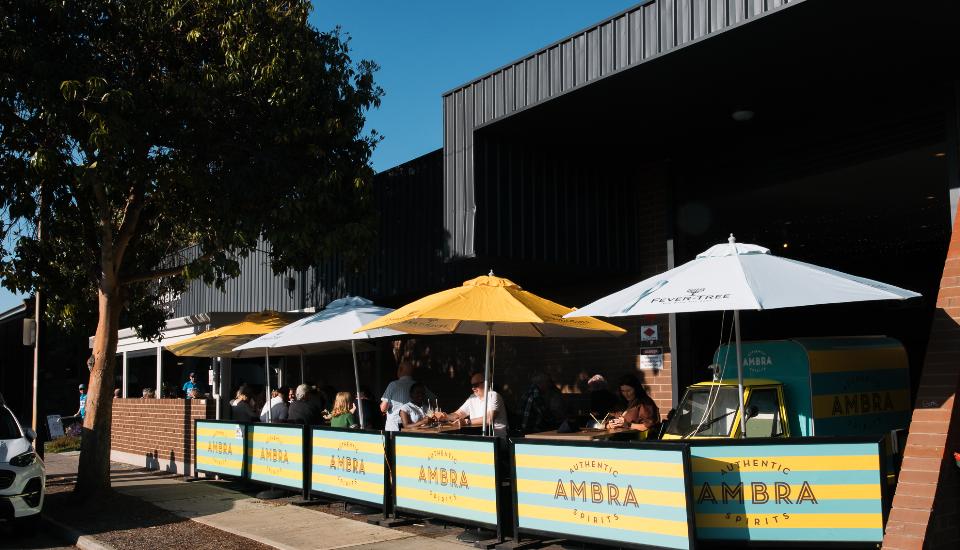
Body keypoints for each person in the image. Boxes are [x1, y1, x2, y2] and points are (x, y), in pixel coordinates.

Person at [442, 373, 508, 437]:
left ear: (485, 383)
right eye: (472, 385)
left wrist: (467, 422)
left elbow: (489, 419)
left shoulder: (493, 395)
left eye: (476, 385)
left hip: (496, 439)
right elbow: (459, 413)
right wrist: (446, 416)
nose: (473, 388)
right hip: (477, 435)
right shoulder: (472, 397)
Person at [380, 361, 433, 431]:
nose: (420, 395)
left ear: (400, 370)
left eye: (421, 394)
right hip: (415, 428)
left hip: (395, 427)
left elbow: (383, 408)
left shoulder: (393, 385)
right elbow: (434, 401)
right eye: (418, 394)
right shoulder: (419, 386)